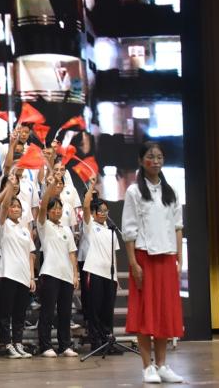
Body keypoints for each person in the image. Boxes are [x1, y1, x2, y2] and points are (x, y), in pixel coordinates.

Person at [122, 141, 184, 384]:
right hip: (144, 257)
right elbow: (129, 230)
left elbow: (177, 226)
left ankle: (163, 365)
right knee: (145, 312)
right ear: (141, 161)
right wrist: (133, 263)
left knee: (164, 312)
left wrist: (178, 258)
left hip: (167, 257)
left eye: (159, 157)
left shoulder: (171, 191)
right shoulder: (134, 192)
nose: (156, 161)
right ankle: (147, 367)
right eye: (150, 156)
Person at [36, 175, 79, 358]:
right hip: (50, 273)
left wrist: (75, 274)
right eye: (53, 208)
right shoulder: (44, 225)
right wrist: (52, 185)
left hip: (66, 275)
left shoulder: (66, 229)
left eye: (59, 208)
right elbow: (43, 206)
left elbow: (72, 253)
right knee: (47, 312)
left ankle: (64, 345)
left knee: (65, 313)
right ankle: (45, 345)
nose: (57, 211)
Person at [0, 176, 37, 359]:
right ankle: (7, 344)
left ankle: (18, 342)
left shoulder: (25, 229)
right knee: (5, 312)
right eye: (13, 206)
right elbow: (3, 207)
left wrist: (32, 276)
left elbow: (30, 254)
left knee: (20, 313)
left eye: (18, 206)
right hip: (7, 274)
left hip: (23, 276)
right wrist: (11, 187)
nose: (15, 209)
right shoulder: (2, 224)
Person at [80, 178, 120, 354]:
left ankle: (107, 342)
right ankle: (96, 343)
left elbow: (114, 256)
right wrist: (90, 188)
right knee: (95, 310)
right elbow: (85, 207)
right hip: (95, 272)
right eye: (100, 211)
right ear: (94, 213)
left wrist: (116, 277)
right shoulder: (90, 227)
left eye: (105, 211)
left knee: (107, 310)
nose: (103, 213)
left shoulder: (111, 231)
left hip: (109, 275)